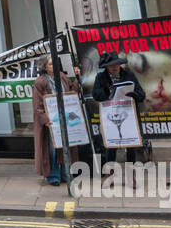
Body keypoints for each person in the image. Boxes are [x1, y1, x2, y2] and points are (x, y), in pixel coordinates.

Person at [32, 56, 81, 186]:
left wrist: (77, 79)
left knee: (66, 146)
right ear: (45, 67)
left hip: (65, 117)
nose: (53, 65)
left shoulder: (62, 76)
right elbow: (37, 105)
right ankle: (53, 176)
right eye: (50, 64)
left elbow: (72, 92)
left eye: (54, 63)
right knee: (52, 150)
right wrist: (45, 120)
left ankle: (66, 174)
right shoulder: (40, 82)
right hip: (50, 121)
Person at [92, 51, 145, 164]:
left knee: (131, 145)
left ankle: (131, 173)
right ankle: (110, 174)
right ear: (106, 67)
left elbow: (141, 95)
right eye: (111, 65)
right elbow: (96, 95)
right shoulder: (101, 77)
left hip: (128, 115)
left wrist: (133, 94)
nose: (115, 67)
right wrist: (108, 91)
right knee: (111, 145)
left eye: (116, 64)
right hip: (110, 116)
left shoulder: (129, 75)